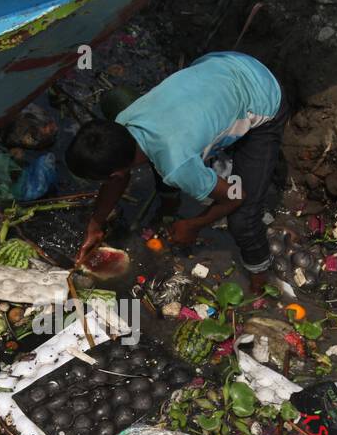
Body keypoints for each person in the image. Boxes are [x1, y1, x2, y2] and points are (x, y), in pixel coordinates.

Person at [65, 51, 288, 292]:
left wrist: (194, 225)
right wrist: (95, 224)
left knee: (243, 219)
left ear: (115, 174)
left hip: (264, 97)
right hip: (223, 64)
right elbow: (120, 175)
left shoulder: (177, 165)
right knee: (159, 156)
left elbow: (236, 195)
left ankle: (260, 277)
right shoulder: (125, 122)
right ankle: (169, 203)